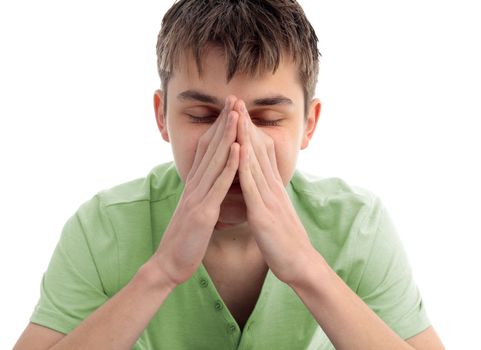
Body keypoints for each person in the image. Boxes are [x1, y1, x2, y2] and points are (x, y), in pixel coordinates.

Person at [14, 1, 445, 349]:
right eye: (203, 116)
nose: (236, 145)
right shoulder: (102, 226)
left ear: (309, 125)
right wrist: (162, 271)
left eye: (268, 118)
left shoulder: (357, 224)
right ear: (162, 117)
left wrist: (305, 267)